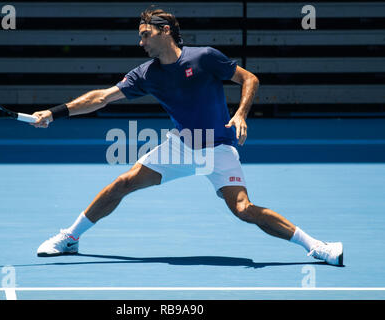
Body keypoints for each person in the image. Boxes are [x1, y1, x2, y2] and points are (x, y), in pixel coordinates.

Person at [32, 8, 343, 266]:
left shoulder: (204, 58)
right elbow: (101, 98)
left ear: (164, 30)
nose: (141, 43)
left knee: (244, 210)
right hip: (180, 147)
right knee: (122, 183)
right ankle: (70, 238)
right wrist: (54, 112)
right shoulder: (146, 74)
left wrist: (241, 114)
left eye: (145, 34)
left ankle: (316, 246)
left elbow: (249, 78)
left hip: (219, 149)